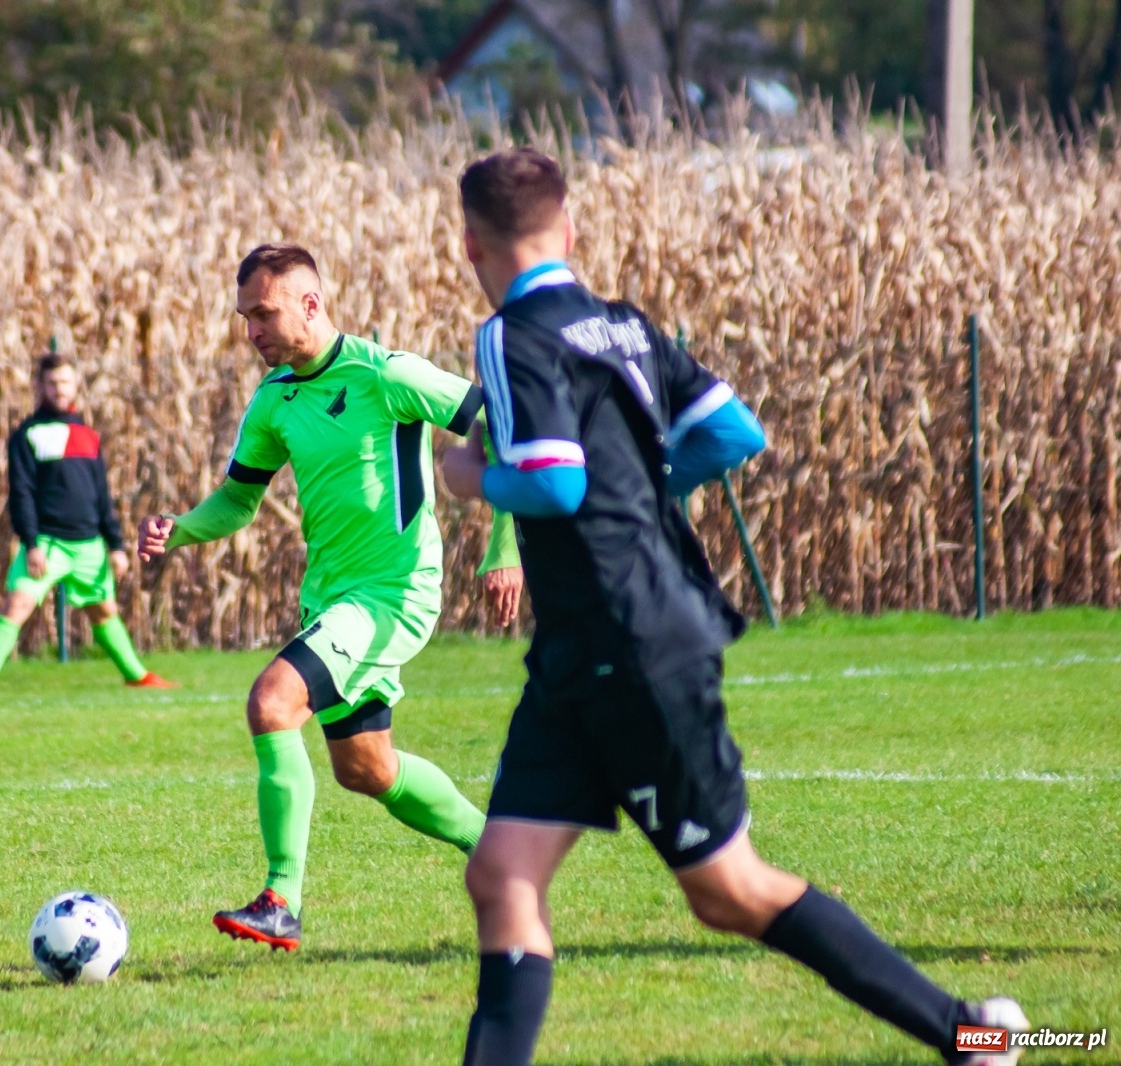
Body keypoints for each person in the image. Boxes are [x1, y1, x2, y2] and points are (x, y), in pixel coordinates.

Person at [439, 147, 1028, 1066]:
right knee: (502, 873)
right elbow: (729, 431)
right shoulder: (623, 325)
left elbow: (551, 485)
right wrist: (643, 489)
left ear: (468, 243)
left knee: (731, 891)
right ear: (571, 229)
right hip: (587, 654)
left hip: (628, 646)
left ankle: (971, 1035)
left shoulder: (510, 334)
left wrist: (475, 474)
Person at [138, 243, 522, 951]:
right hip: (332, 602)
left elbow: (503, 428)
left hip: (394, 594)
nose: (252, 330)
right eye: (245, 317)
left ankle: (281, 899)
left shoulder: (386, 374)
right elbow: (237, 502)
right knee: (366, 769)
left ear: (310, 305)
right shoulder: (274, 400)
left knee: (271, 700)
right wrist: (180, 529)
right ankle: (499, 850)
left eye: (264, 313)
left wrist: (504, 546)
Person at [0, 353, 175, 699]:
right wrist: (31, 544)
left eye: (65, 381)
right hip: (47, 544)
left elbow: (102, 497)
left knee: (103, 609)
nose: (58, 388)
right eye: (51, 382)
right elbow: (21, 492)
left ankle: (136, 675)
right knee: (17, 605)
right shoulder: (27, 435)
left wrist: (116, 546)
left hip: (90, 545)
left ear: (76, 384)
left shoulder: (88, 435)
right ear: (39, 387)